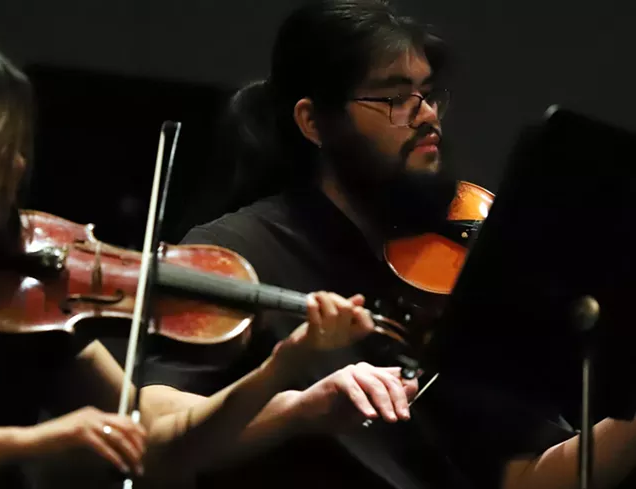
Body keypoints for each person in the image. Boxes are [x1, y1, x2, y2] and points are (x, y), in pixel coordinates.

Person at [0, 22, 380, 489]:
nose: (20, 166)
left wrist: (285, 369)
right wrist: (29, 440)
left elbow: (154, 442)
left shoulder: (24, 291)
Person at [141, 1, 636, 489]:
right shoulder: (233, 252)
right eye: (395, 98)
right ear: (313, 122)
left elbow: (523, 477)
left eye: (428, 93)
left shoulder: (456, 266)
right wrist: (297, 405)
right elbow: (159, 429)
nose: (426, 116)